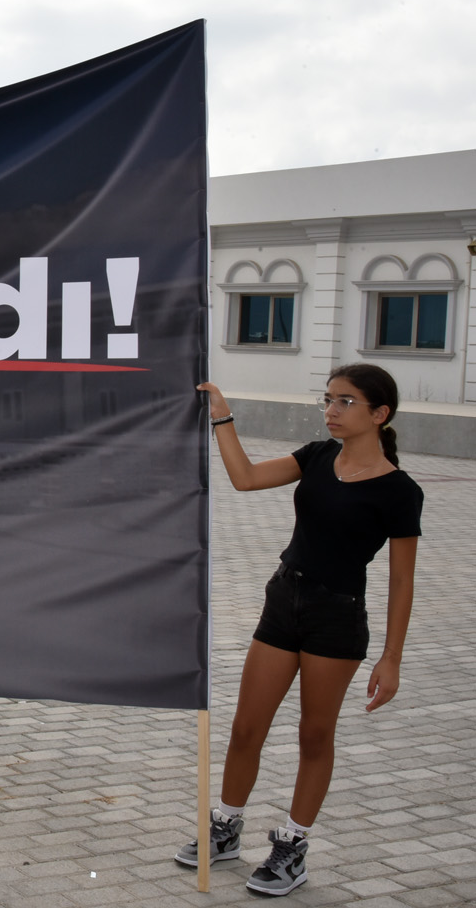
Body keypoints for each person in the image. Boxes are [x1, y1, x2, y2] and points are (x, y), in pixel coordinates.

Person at [179, 365, 422, 896]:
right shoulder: (316, 456)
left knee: (314, 735)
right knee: (247, 727)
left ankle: (292, 847)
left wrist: (392, 658)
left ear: (380, 414)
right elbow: (245, 478)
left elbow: (402, 581)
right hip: (283, 600)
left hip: (337, 616)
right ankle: (226, 827)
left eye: (346, 402)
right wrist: (223, 418)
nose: (331, 411)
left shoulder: (399, 491)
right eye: (328, 399)